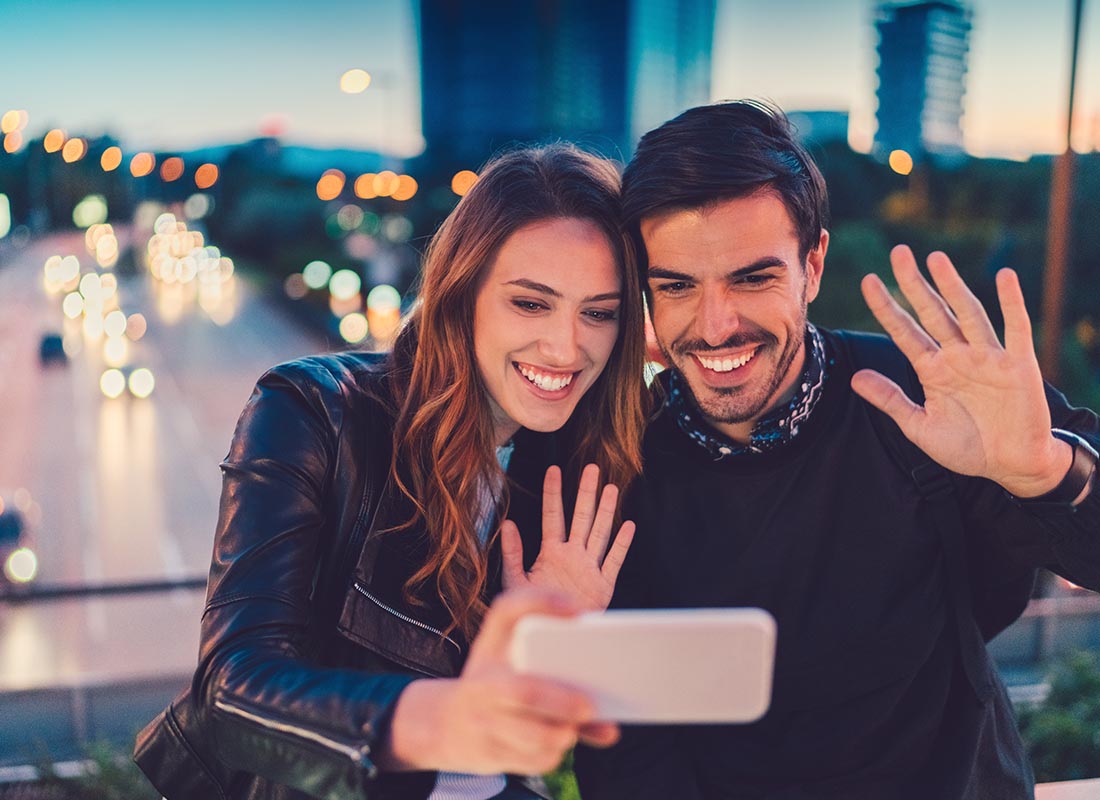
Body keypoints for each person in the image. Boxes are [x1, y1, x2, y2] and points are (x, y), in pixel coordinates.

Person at [573, 101, 1100, 799]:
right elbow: (628, 748)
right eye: (676, 287)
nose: (715, 324)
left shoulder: (926, 397)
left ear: (813, 265)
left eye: (753, 278)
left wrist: (1050, 473)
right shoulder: (616, 465)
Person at [183, 144, 649, 800]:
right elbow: (230, 694)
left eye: (599, 312)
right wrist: (441, 718)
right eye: (531, 304)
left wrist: (543, 650)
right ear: (463, 294)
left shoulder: (581, 460)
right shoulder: (316, 414)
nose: (566, 346)